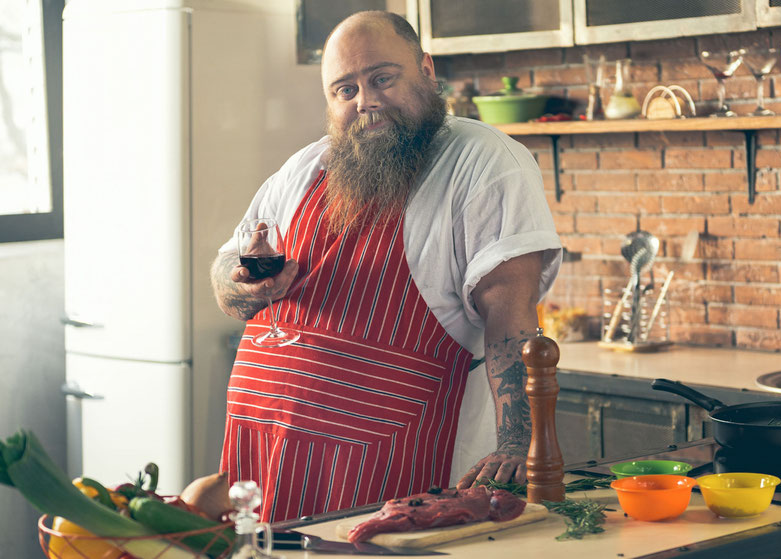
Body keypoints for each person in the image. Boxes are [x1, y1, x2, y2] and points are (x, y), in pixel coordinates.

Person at [210, 10, 561, 522]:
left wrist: (516, 443)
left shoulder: (483, 162)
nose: (366, 101)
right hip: (259, 454)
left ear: (426, 69)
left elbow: (511, 313)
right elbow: (226, 272)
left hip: (390, 471)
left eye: (382, 79)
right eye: (344, 89)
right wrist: (243, 285)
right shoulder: (302, 169)